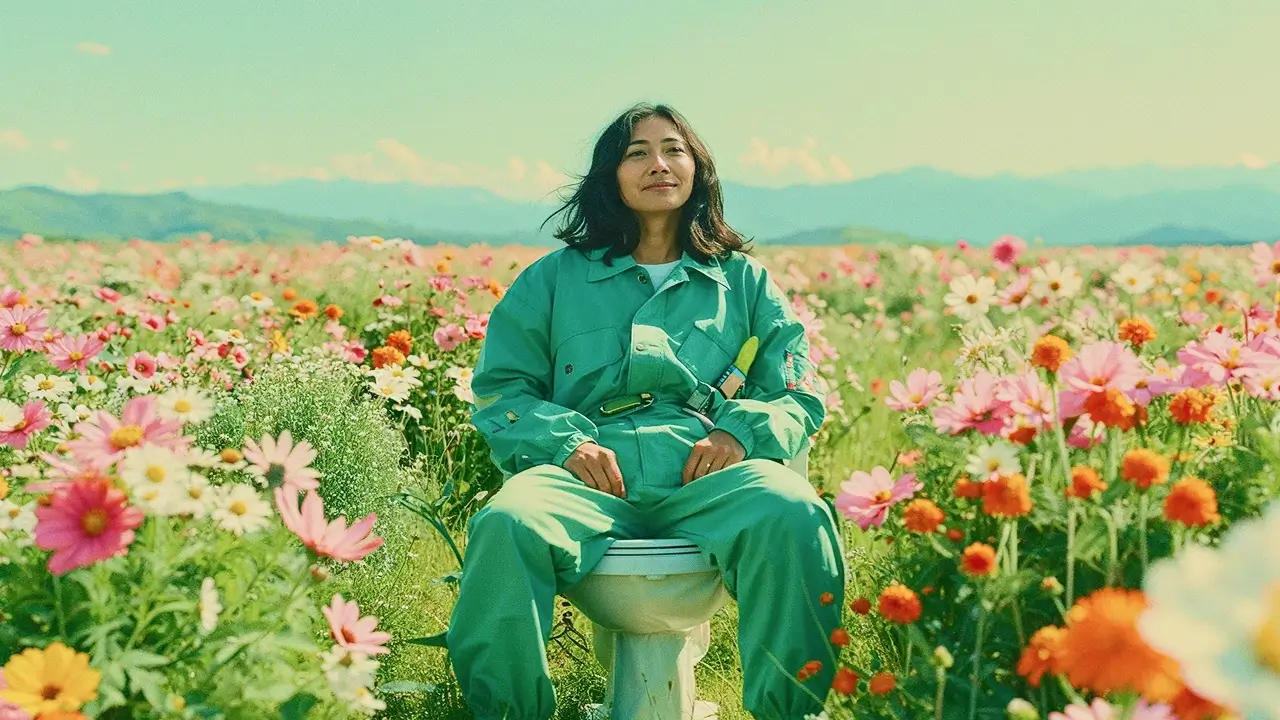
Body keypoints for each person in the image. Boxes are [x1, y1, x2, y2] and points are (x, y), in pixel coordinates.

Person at [445, 102, 848, 720]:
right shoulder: (551, 281)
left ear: (698, 170)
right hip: (586, 479)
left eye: (674, 149)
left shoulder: (745, 282)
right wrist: (564, 445)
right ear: (611, 174)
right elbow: (503, 392)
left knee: (795, 511)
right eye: (637, 152)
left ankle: (790, 712)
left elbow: (798, 391)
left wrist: (742, 431)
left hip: (708, 479)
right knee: (508, 523)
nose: (658, 163)